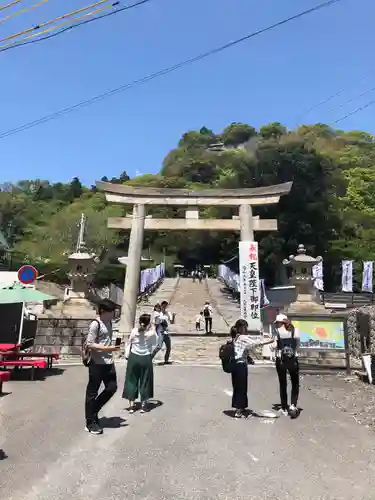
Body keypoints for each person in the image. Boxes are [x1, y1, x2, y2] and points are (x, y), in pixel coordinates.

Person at [84, 299, 120, 435]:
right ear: (104, 311)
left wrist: (112, 348)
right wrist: (108, 348)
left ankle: (93, 411)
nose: (114, 314)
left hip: (109, 362)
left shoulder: (109, 322)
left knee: (112, 387)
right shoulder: (95, 324)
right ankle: (90, 422)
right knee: (92, 392)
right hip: (96, 363)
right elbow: (90, 344)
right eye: (112, 312)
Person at [230, 319, 274, 418]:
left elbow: (246, 348)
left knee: (238, 387)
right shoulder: (242, 337)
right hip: (240, 365)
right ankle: (238, 410)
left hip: (235, 365)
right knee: (241, 387)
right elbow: (254, 343)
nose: (246, 329)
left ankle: (241, 406)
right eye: (245, 327)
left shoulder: (235, 337)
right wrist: (269, 341)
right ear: (241, 328)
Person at [123, 313, 160, 413]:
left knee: (131, 380)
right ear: (149, 323)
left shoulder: (134, 331)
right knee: (145, 381)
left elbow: (130, 341)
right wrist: (153, 327)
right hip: (145, 358)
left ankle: (131, 405)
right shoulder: (151, 333)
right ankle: (143, 405)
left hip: (134, 357)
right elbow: (155, 344)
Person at [271, 313, 300, 417]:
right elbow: (298, 345)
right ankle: (293, 405)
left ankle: (284, 407)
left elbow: (274, 345)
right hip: (293, 360)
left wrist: (272, 347)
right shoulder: (295, 330)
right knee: (295, 383)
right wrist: (293, 353)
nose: (276, 325)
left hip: (281, 360)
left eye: (277, 323)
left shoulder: (277, 331)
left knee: (283, 384)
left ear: (280, 322)